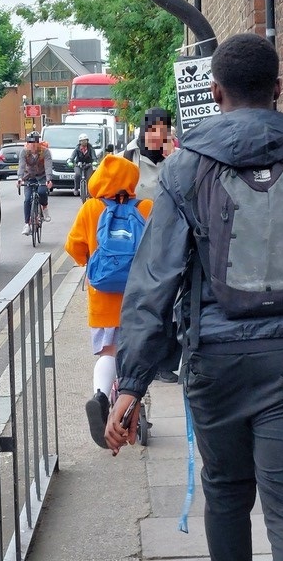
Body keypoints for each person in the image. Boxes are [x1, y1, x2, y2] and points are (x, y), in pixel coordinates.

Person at [105, 33, 283, 561]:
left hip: (215, 360)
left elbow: (154, 282)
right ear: (279, 86)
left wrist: (129, 384)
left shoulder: (184, 169)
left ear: (216, 93)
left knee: (224, 492)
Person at [64, 154, 152, 448]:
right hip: (139, 300)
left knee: (108, 354)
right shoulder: (146, 207)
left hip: (103, 302)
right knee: (138, 357)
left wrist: (88, 265)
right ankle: (132, 408)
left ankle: (101, 397)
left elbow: (73, 246)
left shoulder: (91, 208)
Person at [122, 107, 181, 383]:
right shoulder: (129, 157)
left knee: (172, 302)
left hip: (170, 239)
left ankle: (166, 363)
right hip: (136, 240)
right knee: (144, 304)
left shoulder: (177, 157)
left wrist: (174, 156)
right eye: (155, 129)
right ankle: (141, 363)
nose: (160, 135)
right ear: (146, 131)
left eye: (165, 129)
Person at [17, 131, 53, 235]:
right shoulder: (24, 152)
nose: (32, 145)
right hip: (29, 177)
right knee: (27, 199)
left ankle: (44, 208)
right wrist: (20, 179)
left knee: (42, 192)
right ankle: (27, 224)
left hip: (42, 176)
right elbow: (21, 166)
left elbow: (48, 166)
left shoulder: (45, 152)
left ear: (38, 143)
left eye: (34, 143)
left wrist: (48, 179)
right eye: (30, 143)